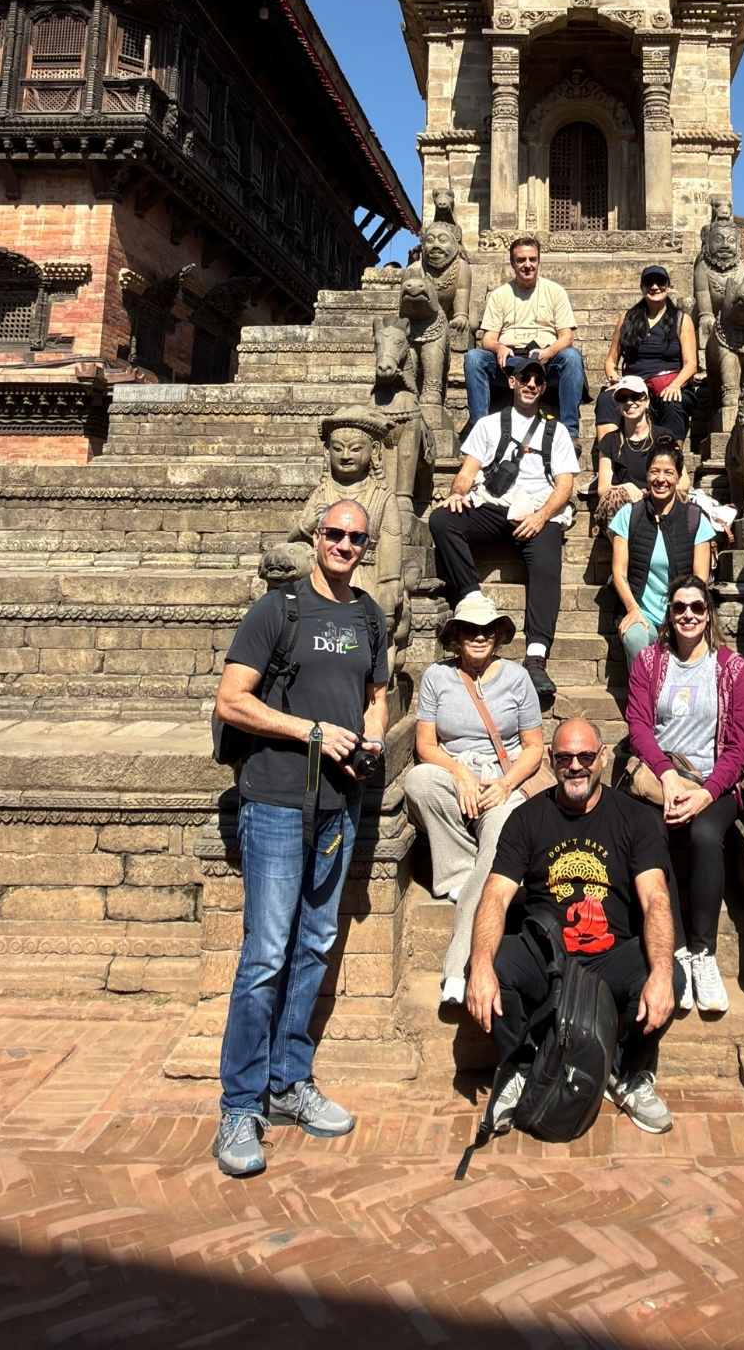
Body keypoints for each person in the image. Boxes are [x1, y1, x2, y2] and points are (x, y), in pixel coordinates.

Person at [212, 498, 390, 1178]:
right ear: (317, 538)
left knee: (315, 941)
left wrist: (371, 736)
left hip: (338, 803)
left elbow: (376, 691)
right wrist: (309, 731)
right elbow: (232, 699)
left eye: (356, 537)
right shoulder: (277, 611)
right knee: (265, 952)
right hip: (280, 799)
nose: (345, 544)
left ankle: (290, 1081)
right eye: (335, 534)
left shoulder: (367, 615)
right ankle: (240, 1104)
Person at [466, 717, 682, 1136]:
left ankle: (627, 1074)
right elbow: (495, 894)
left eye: (586, 756)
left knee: (669, 974)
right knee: (495, 967)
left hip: (609, 956)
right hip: (547, 954)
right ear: (551, 760)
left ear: (602, 757)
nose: (576, 766)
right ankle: (520, 1068)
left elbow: (655, 897)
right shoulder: (527, 819)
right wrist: (479, 965)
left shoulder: (635, 819)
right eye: (565, 757)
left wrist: (661, 973)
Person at [404, 593, 545, 1009]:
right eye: (470, 630)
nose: (479, 637)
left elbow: (535, 747)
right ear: (456, 637)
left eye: (487, 630)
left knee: (502, 831)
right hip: (456, 771)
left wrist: (505, 784)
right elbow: (426, 744)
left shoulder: (518, 678)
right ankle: (460, 873)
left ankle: (456, 968)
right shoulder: (436, 677)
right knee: (419, 782)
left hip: (505, 776)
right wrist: (459, 773)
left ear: (498, 635)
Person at [623, 575, 744, 1016]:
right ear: (669, 613)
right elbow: (638, 725)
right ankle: (674, 950)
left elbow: (741, 744)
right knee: (653, 838)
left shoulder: (731, 668)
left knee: (702, 835)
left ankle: (704, 953)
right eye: (680, 607)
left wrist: (708, 791)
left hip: (713, 779)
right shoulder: (649, 661)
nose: (688, 616)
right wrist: (666, 777)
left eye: (697, 608)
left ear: (708, 613)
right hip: (663, 777)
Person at [428, 355, 580, 709]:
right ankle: (470, 596)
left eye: (537, 381)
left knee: (546, 565)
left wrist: (542, 516)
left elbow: (565, 486)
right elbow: (468, 470)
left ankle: (536, 656)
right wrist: (457, 493)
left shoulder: (556, 431)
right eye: (524, 378)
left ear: (543, 388)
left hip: (536, 512)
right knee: (442, 521)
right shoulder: (489, 424)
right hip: (494, 507)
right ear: (511, 382)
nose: (530, 385)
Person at [464, 234, 585, 442]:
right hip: (510, 361)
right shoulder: (500, 294)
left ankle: (570, 433)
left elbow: (567, 336)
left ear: (539, 261)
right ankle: (479, 432)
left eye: (532, 259)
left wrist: (549, 352)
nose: (527, 265)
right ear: (512, 263)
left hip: (545, 361)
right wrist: (499, 347)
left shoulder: (555, 291)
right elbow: (488, 339)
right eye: (521, 260)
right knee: (474, 358)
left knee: (572, 357)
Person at [608, 441, 714, 665]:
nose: (661, 479)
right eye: (655, 471)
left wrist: (682, 613)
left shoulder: (694, 519)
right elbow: (619, 573)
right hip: (641, 612)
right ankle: (643, 698)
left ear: (677, 478)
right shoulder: (629, 515)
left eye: (668, 472)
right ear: (646, 474)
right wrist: (633, 609)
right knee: (635, 637)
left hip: (682, 613)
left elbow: (700, 580)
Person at [598, 264, 698, 441]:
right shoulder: (627, 318)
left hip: (668, 381)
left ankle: (671, 460)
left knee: (673, 401)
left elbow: (691, 364)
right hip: (635, 382)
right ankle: (608, 455)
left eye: (659, 282)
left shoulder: (682, 320)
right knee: (607, 399)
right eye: (649, 283)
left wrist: (675, 385)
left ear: (668, 285)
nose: (654, 287)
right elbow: (610, 361)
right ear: (642, 287)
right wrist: (614, 378)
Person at [593, 376, 661, 522]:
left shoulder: (663, 437)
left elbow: (684, 482)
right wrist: (626, 488)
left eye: (636, 396)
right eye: (623, 398)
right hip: (624, 509)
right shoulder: (610, 441)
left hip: (658, 501)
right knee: (613, 498)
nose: (629, 402)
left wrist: (650, 494)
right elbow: (602, 488)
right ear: (617, 405)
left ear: (647, 401)